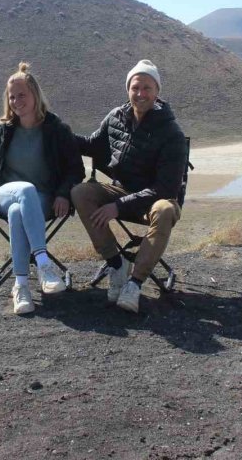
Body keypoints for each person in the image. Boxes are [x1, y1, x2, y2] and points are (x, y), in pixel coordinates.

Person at [0, 62, 84, 315]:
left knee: (18, 212)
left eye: (22, 95)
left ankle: (20, 285)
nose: (16, 101)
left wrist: (63, 193)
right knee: (24, 192)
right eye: (12, 97)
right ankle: (44, 265)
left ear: (35, 95)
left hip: (43, 199)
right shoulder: (2, 131)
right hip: (4, 194)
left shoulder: (56, 130)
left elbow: (76, 169)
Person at [71, 59, 187, 313]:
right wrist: (57, 130)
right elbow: (92, 145)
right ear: (128, 90)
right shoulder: (116, 117)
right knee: (80, 192)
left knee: (165, 210)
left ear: (157, 92)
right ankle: (116, 264)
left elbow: (167, 189)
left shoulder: (172, 133)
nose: (140, 93)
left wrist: (118, 205)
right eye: (135, 87)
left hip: (155, 199)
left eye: (147, 87)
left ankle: (135, 283)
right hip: (121, 190)